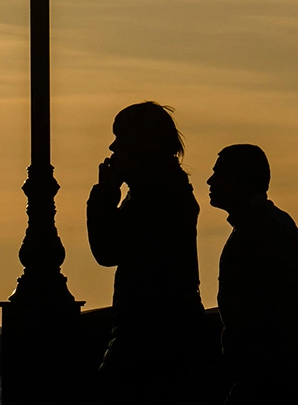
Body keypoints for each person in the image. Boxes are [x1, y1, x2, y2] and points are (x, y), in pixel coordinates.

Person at [86, 102, 205, 403]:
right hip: (163, 333)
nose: (113, 147)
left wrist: (104, 195)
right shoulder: (164, 190)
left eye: (120, 138)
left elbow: (107, 251)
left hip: (149, 336)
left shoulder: (153, 197)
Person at [206, 144, 298, 403]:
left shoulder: (258, 231)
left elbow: (272, 315)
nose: (210, 181)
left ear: (241, 180)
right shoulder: (267, 225)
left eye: (219, 173)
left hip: (277, 381)